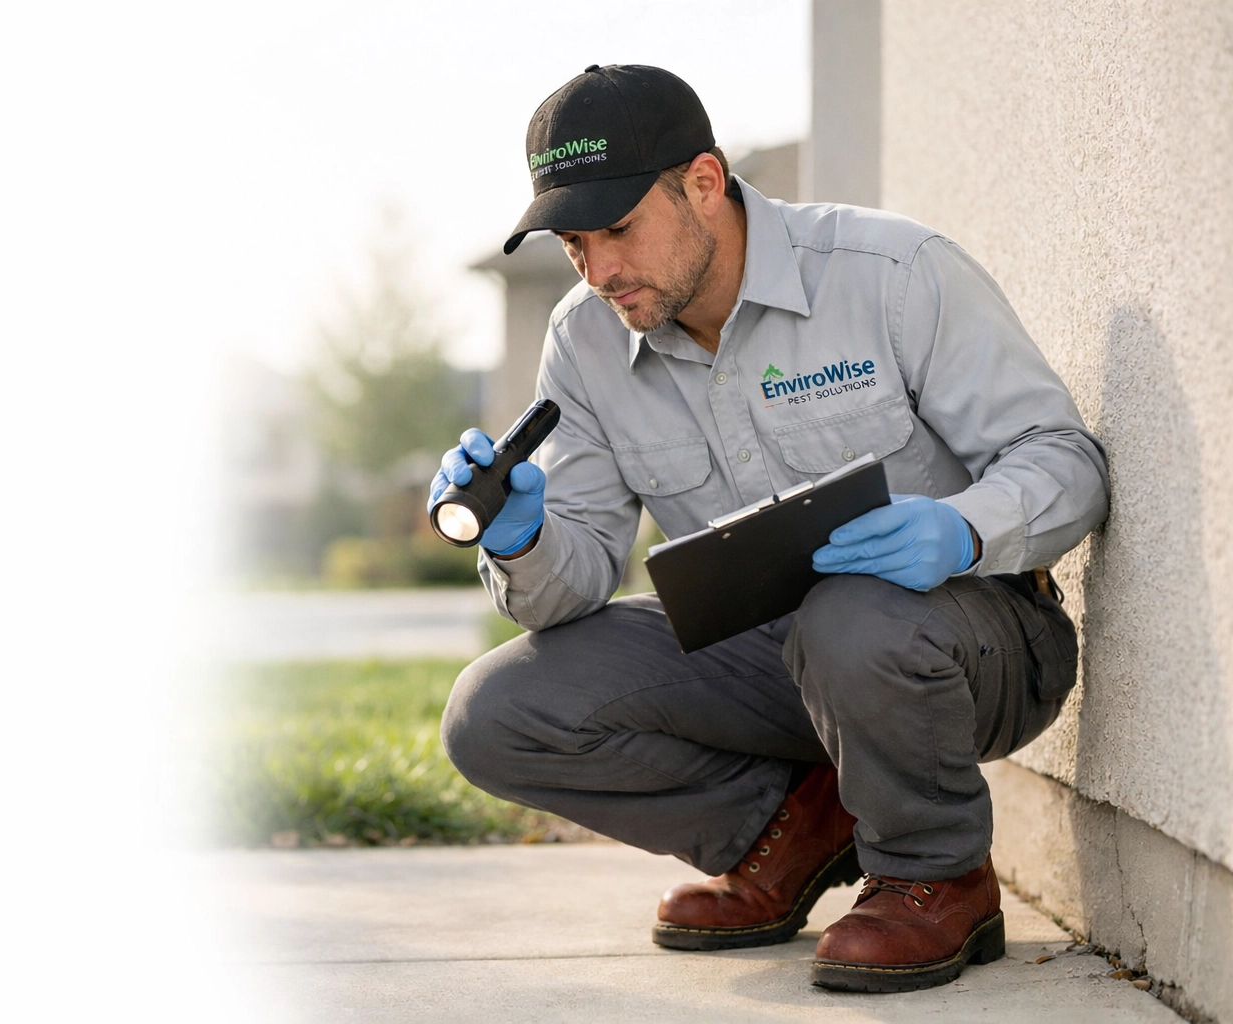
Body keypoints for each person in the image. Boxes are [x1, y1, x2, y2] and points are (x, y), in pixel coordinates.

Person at [429, 64, 1108, 993]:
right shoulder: (582, 342)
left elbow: (1065, 457)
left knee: (850, 620)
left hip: (968, 646)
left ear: (703, 182)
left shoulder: (892, 272)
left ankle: (936, 875)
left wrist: (962, 528)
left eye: (618, 229)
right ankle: (794, 824)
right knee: (496, 713)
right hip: (773, 664)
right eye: (574, 243)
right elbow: (574, 584)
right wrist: (518, 539)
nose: (599, 271)